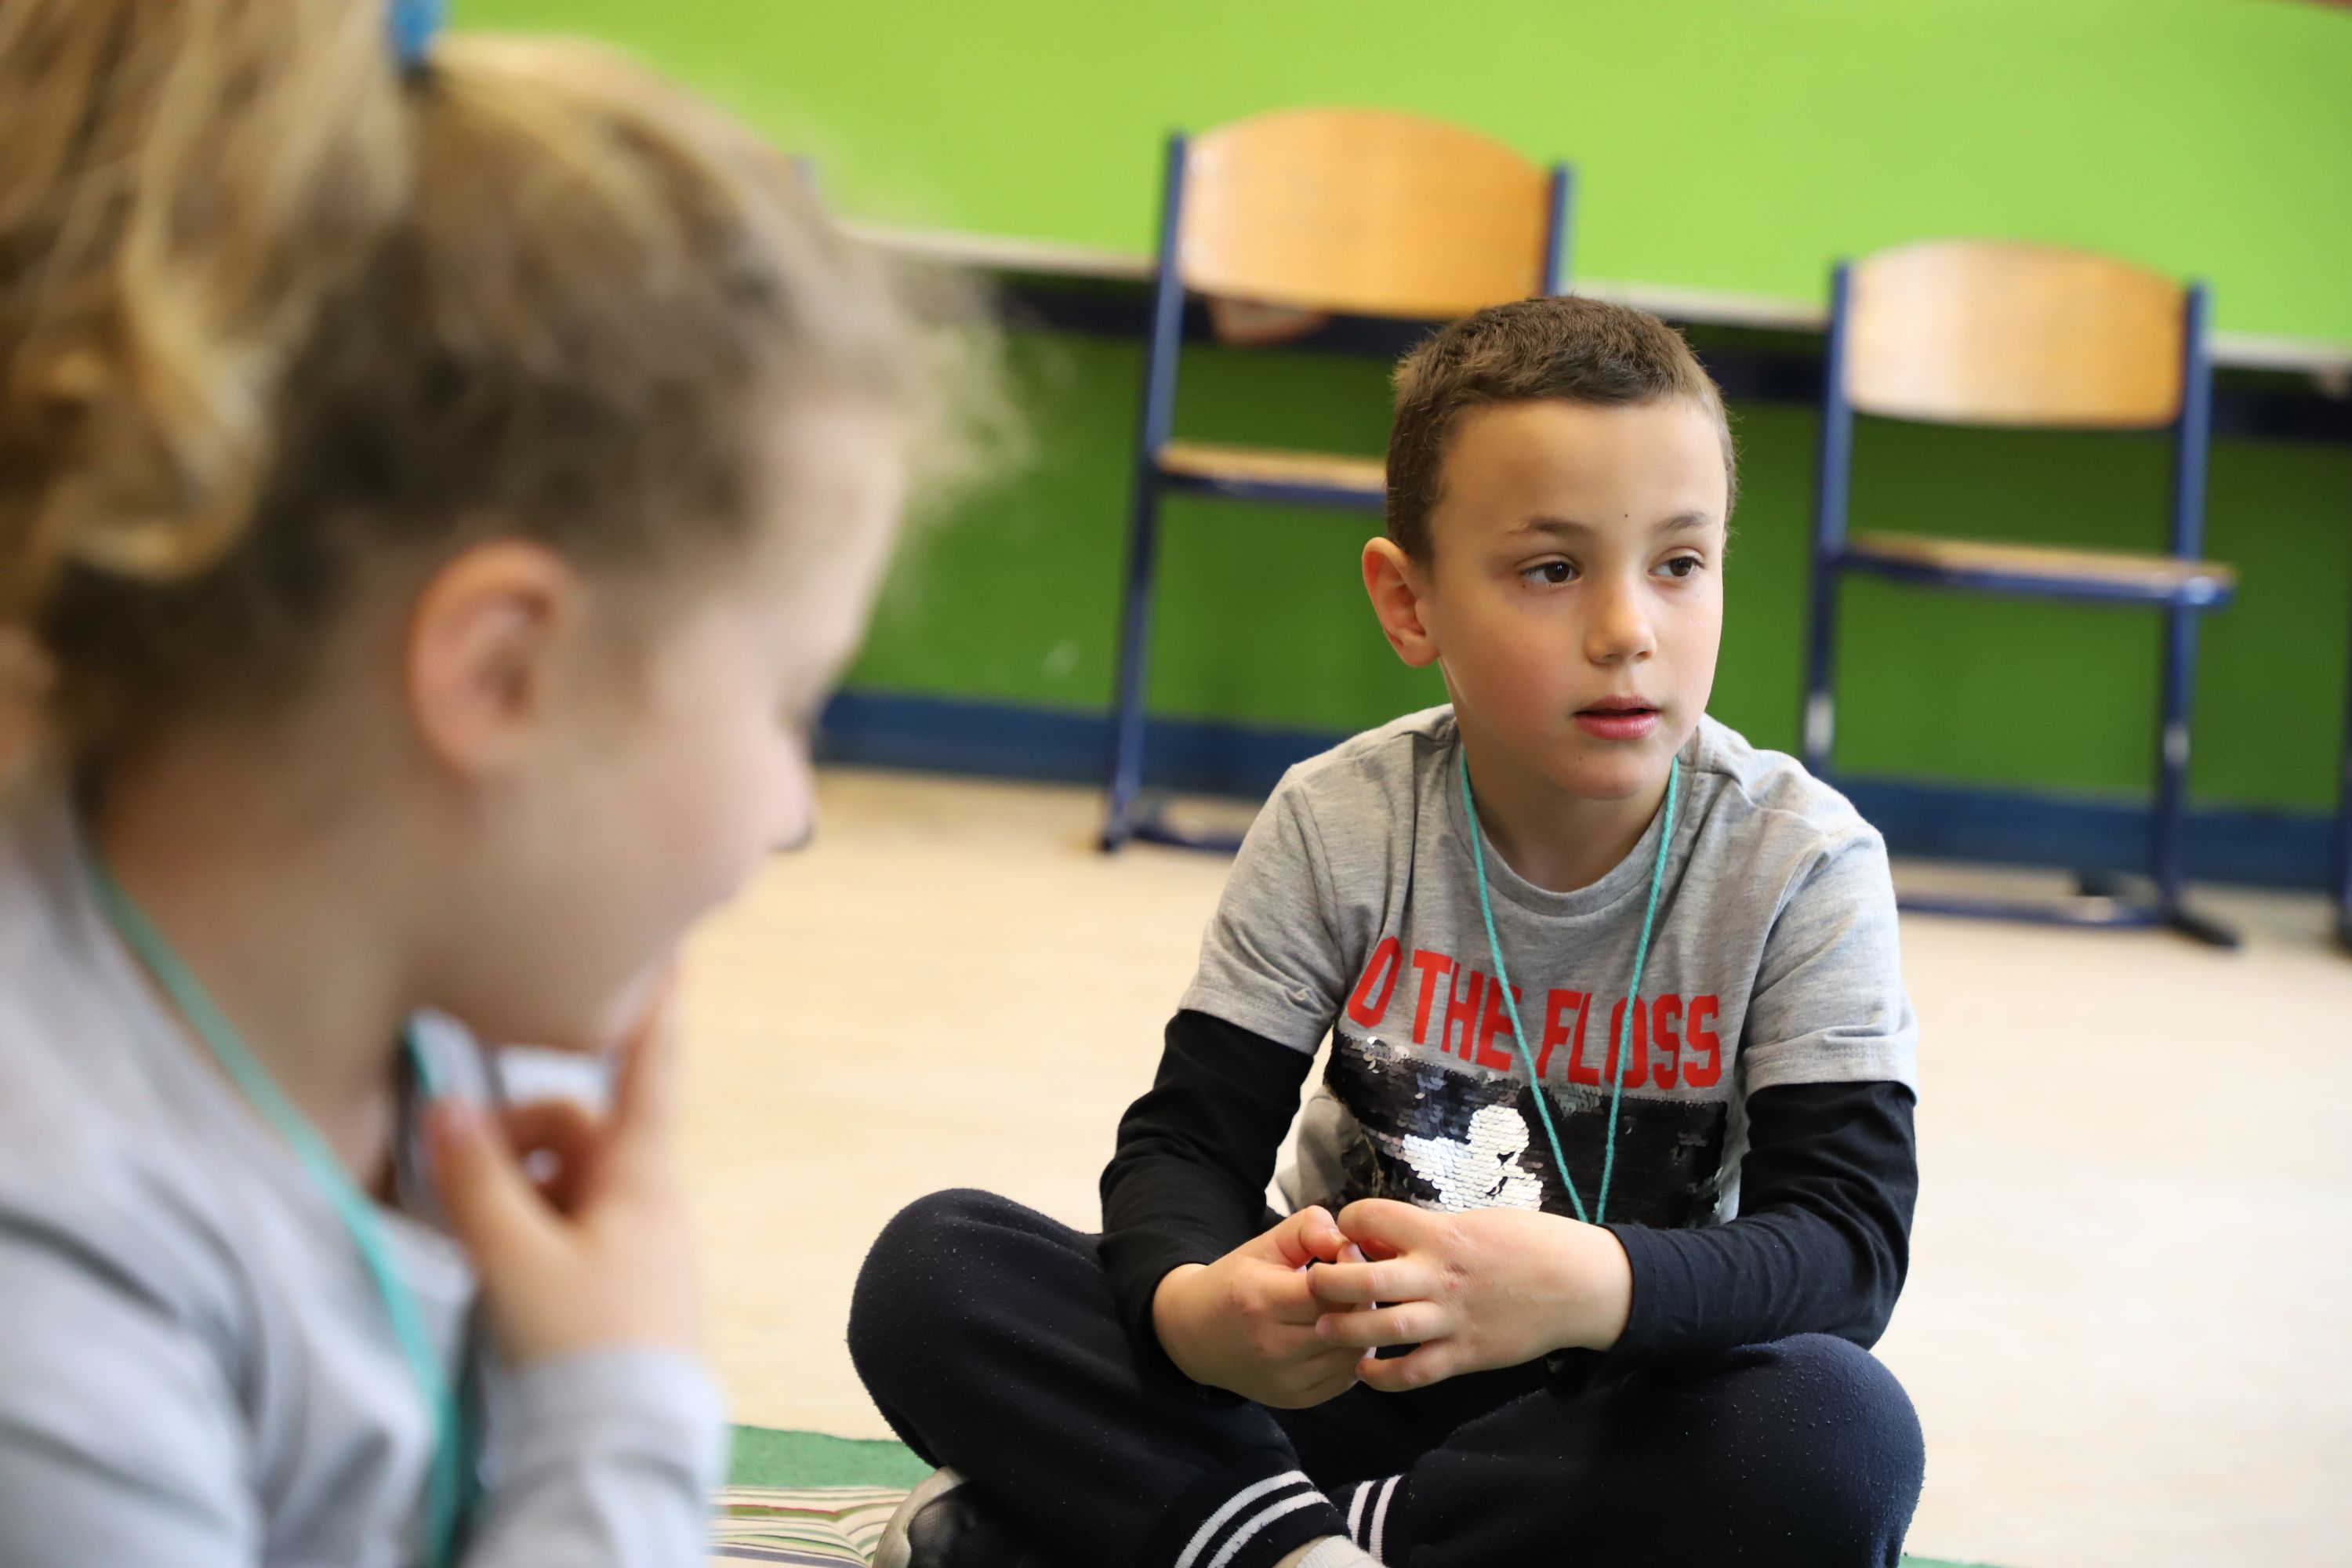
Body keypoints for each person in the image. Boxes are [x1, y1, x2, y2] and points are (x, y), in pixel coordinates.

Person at [0, 2, 934, 1563]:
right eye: (788, 706)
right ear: (503, 673)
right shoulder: (51, 1286)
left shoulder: (439, 1015)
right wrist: (621, 1409)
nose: (794, 810)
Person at [852, 295, 1926, 1568]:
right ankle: (1294, 1534)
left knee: (1838, 1433)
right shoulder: (1338, 819)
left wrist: (1586, 1286)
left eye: (1680, 564)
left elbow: (1847, 1247)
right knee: (935, 1268)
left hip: (1607, 1404)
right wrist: (1202, 1310)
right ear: (1410, 604)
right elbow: (1188, 1145)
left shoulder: (1802, 863)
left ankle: (1243, 1536)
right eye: (1553, 569)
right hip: (1328, 1386)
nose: (1630, 630)